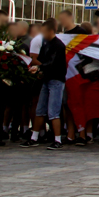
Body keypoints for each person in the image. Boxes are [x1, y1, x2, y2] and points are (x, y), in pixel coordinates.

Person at [21, 19, 68, 150]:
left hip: (56, 80)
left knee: (53, 111)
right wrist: (39, 69)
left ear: (51, 31)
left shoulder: (58, 45)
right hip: (47, 79)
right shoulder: (46, 43)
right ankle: (34, 137)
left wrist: (39, 68)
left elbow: (53, 63)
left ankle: (57, 139)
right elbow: (42, 60)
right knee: (40, 109)